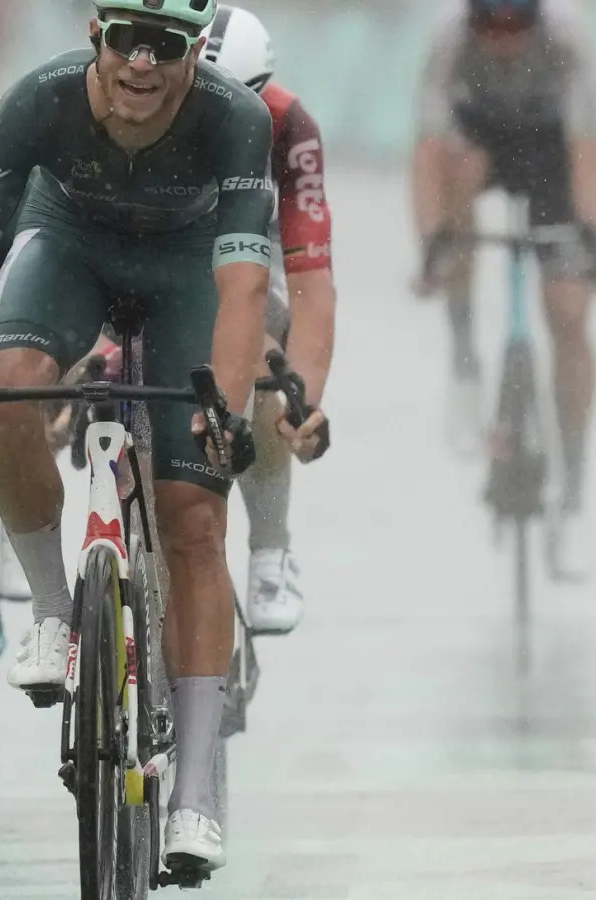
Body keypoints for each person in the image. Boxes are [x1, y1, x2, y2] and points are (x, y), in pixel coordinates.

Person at [0, 0, 271, 872]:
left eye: (168, 44)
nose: (143, 64)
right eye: (125, 40)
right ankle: (56, 614)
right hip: (68, 248)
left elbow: (244, 285)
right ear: (96, 36)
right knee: (8, 392)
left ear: (195, 49)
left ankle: (196, 796)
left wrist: (223, 404)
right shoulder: (43, 100)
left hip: (189, 271)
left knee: (195, 519)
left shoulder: (235, 117)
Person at [413, 0, 596, 578]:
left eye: (515, 28)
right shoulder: (449, 37)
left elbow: (587, 147)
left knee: (571, 315)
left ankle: (572, 499)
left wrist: (591, 237)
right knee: (457, 182)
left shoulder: (568, 36)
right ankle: (465, 362)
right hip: (477, 146)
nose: (502, 42)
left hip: (551, 152)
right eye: (489, 28)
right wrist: (433, 245)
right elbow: (426, 149)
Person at [198, 3, 334, 634]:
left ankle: (270, 549)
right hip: (165, 241)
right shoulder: (136, 97)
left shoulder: (289, 123)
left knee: (261, 361)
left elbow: (311, 283)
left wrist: (302, 398)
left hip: (260, 245)